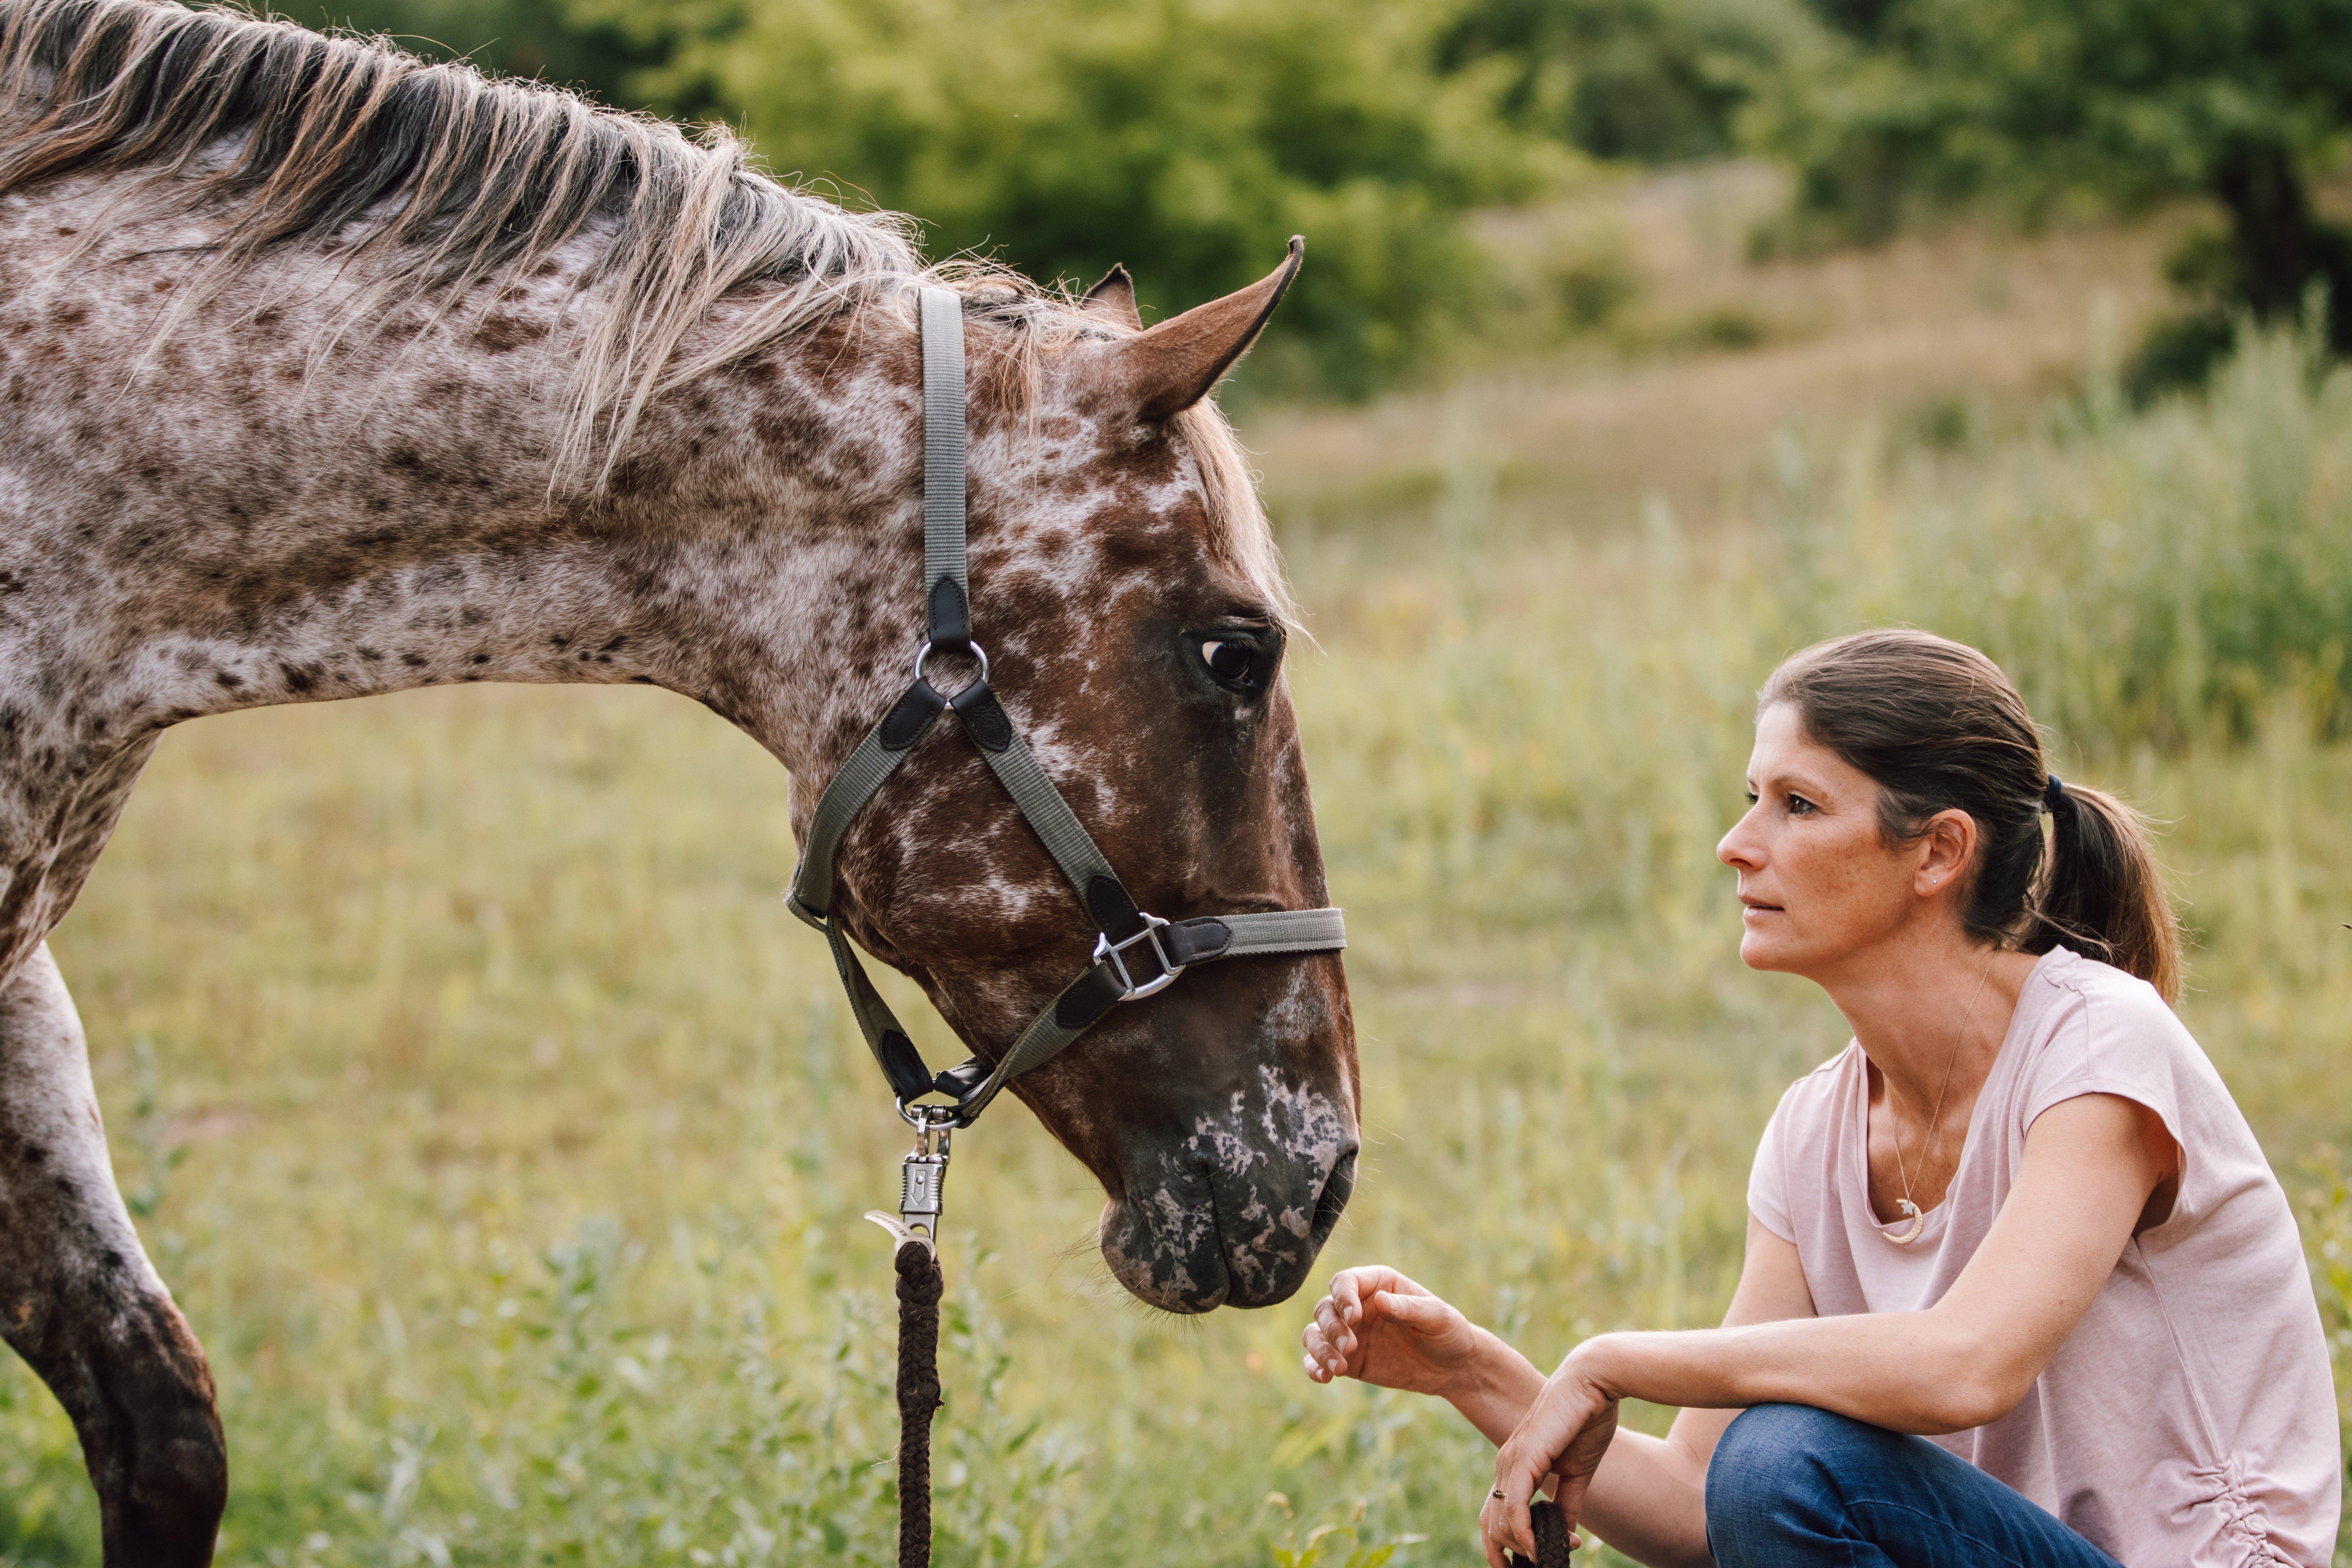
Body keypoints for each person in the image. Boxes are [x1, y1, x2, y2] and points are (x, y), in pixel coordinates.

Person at [1299, 629, 2338, 1568]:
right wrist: (1473, 1371)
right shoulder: (1815, 1132)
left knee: (1784, 1455)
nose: (1738, 842)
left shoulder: (2099, 1046)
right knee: (1766, 1467)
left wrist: (1617, 1361)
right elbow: (1706, 1509)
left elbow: (1970, 1365)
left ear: (1938, 851)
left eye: (1797, 806)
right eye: (1754, 797)